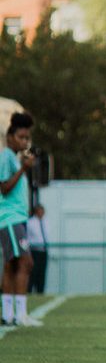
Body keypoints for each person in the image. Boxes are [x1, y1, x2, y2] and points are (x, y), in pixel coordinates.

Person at [0, 111, 42, 326]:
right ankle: (20, 314)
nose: (25, 142)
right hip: (10, 217)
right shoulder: (6, 157)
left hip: (16, 218)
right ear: (10, 137)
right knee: (26, 262)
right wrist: (23, 169)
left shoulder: (14, 159)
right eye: (21, 137)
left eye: (27, 138)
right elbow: (4, 187)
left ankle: (8, 314)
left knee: (12, 265)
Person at [27, 204, 50, 294]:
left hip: (44, 251)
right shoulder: (30, 223)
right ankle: (29, 291)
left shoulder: (46, 222)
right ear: (36, 211)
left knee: (42, 273)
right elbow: (27, 237)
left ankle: (40, 292)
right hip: (34, 251)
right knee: (33, 273)